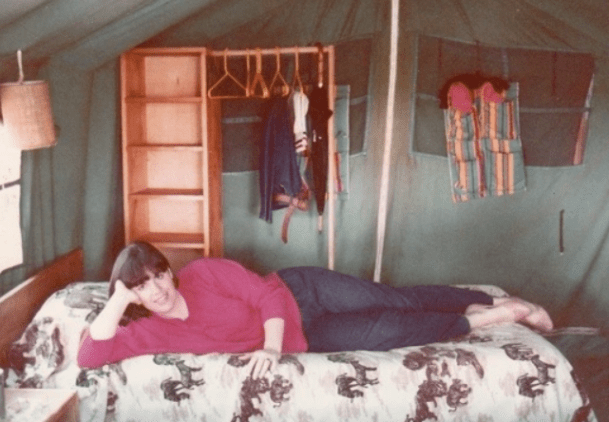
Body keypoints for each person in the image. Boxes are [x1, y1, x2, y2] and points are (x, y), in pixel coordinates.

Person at [77, 242, 553, 378]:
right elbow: (89, 356)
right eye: (142, 286)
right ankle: (490, 316)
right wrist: (118, 296)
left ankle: (493, 300)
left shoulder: (203, 273)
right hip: (309, 339)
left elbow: (267, 296)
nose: (158, 290)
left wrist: (270, 348)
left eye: (159, 275)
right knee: (390, 331)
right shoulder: (148, 332)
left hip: (303, 292)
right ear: (132, 296)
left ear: (169, 271)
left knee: (394, 299)